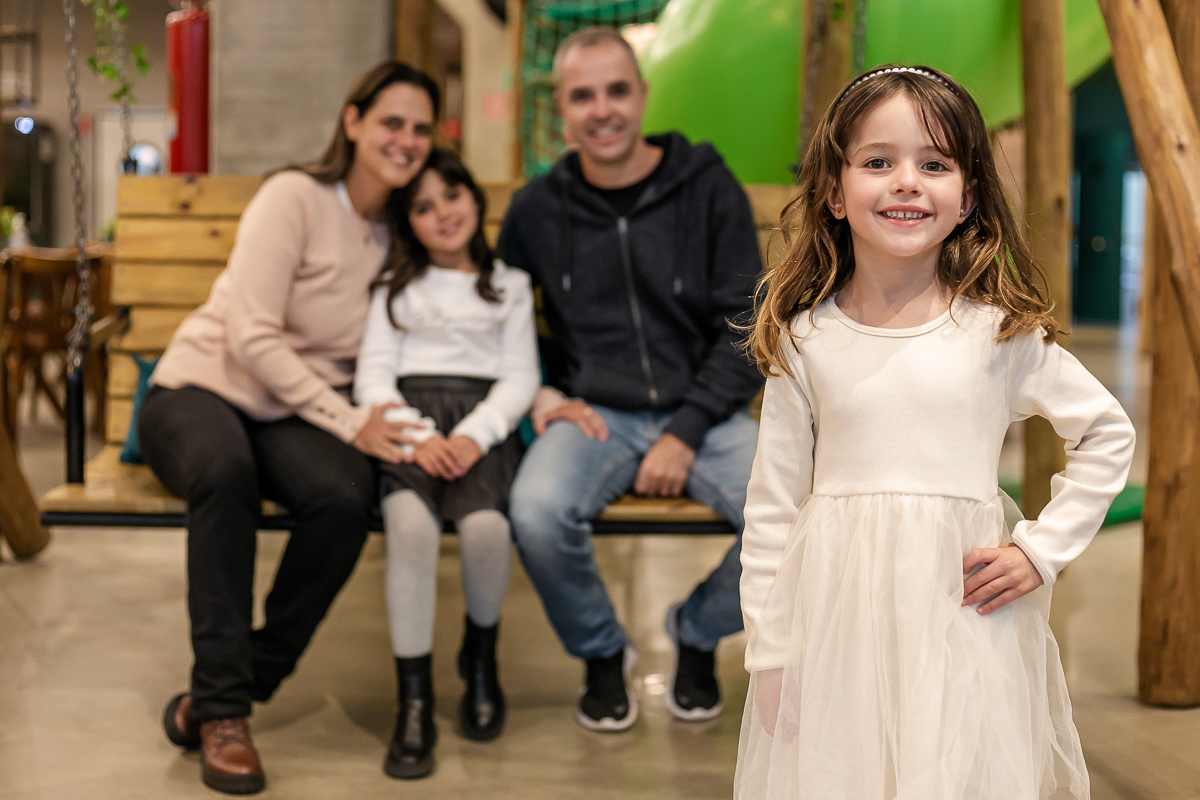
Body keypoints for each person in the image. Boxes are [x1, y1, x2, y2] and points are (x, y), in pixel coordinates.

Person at [735, 65, 1136, 799]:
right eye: (878, 162)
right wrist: (770, 648)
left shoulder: (999, 335)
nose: (906, 182)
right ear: (834, 189)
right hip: (839, 624)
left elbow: (1106, 435)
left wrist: (1040, 552)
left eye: (935, 164)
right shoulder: (805, 340)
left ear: (970, 196)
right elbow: (771, 508)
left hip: (962, 620)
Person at [138, 62, 439, 795]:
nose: (405, 140)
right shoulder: (295, 197)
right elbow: (251, 337)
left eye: (421, 129)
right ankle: (224, 715)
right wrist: (349, 419)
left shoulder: (403, 231)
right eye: (391, 122)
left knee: (343, 498)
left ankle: (232, 687)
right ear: (353, 121)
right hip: (202, 386)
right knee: (224, 473)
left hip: (290, 408)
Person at [498, 27, 764, 732]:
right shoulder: (535, 211)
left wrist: (684, 431)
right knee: (536, 511)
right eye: (581, 96)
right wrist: (541, 394)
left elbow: (748, 322)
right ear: (560, 110)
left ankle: (698, 631)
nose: (602, 109)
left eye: (617, 90)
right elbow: (495, 324)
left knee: (798, 519)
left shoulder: (706, 186)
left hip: (704, 414)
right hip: (596, 416)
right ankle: (601, 653)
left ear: (643, 95)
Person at [353, 149, 539, 779]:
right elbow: (373, 377)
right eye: (424, 207)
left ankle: (480, 660)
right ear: (409, 222)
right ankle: (414, 698)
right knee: (410, 530)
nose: (442, 215)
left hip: (480, 431)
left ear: (475, 199)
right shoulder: (393, 288)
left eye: (451, 197)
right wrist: (419, 436)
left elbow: (520, 378)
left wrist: (473, 434)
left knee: (489, 529)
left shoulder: (508, 286)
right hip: (410, 430)